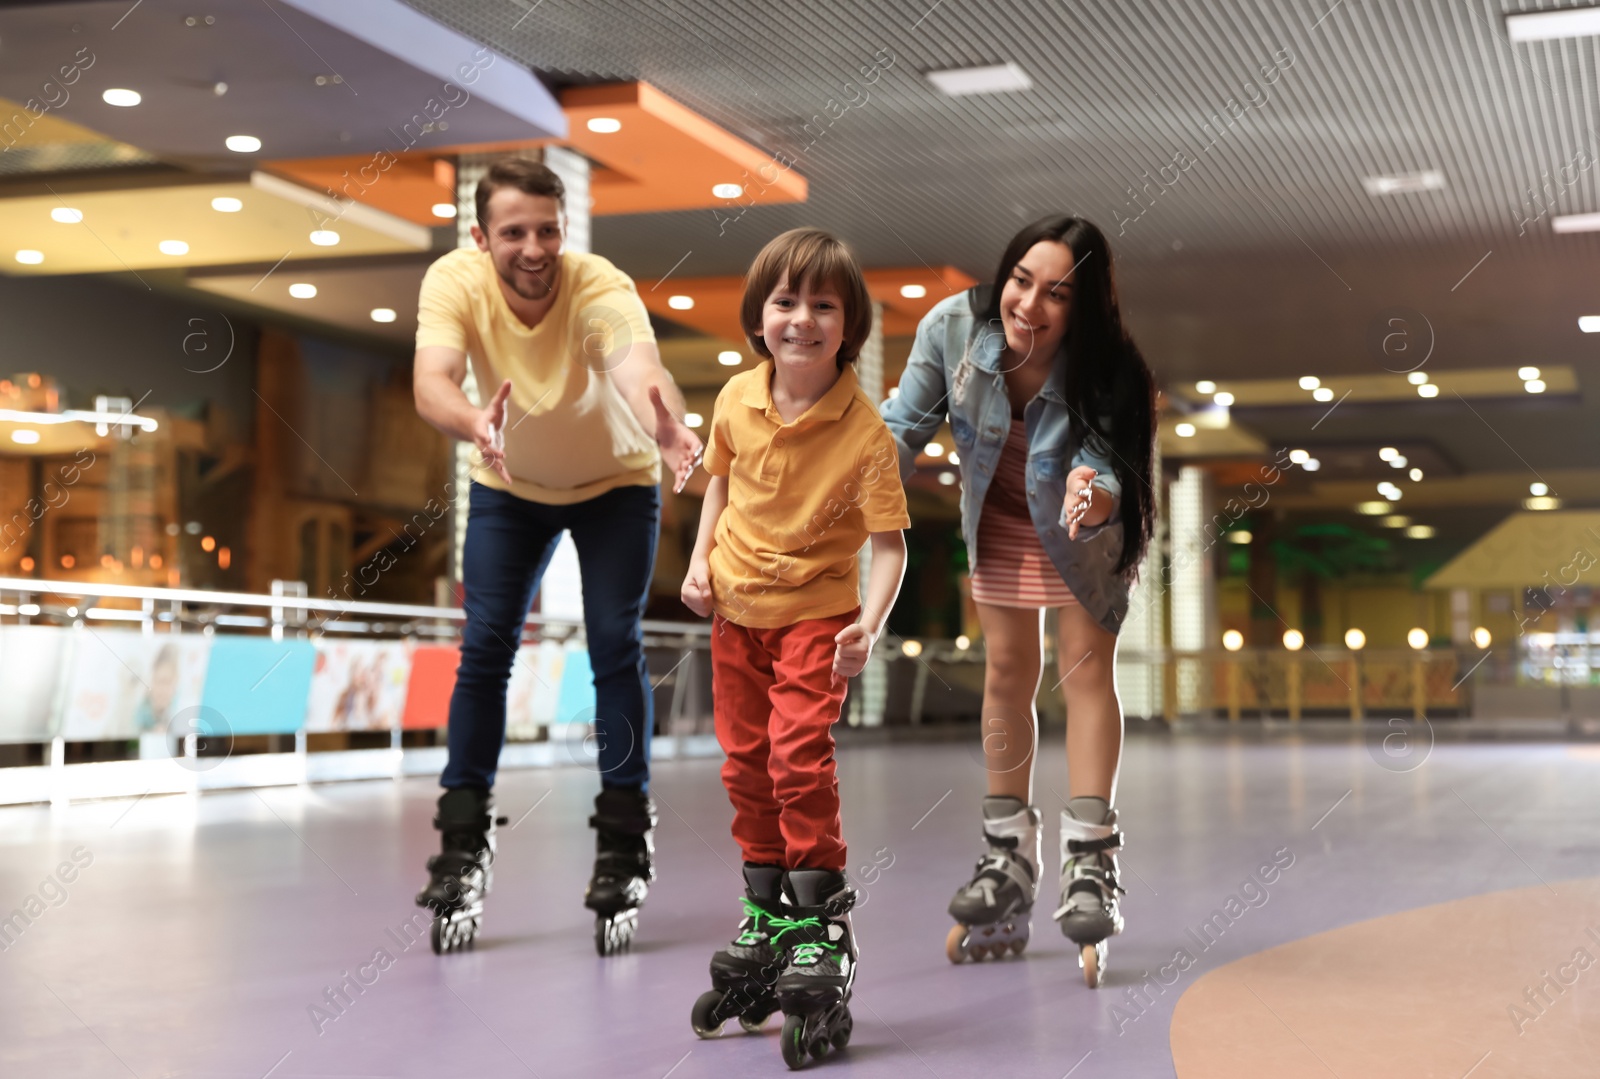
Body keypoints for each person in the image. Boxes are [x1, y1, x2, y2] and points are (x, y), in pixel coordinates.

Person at [410, 156, 703, 955]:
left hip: (615, 481)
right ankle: (462, 839)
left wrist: (668, 424)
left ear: (563, 229)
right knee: (484, 649)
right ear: (481, 237)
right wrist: (473, 420)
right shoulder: (454, 282)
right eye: (513, 232)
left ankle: (622, 835)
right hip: (508, 483)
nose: (534, 248)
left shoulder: (598, 284)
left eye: (547, 229)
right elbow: (431, 379)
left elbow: (635, 365)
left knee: (615, 642)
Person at [879, 216, 1156, 987]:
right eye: (1021, 280)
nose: (1030, 304)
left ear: (1085, 307)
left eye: (1057, 293)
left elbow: (1105, 470)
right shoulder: (951, 328)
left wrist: (1091, 495)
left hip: (1079, 528)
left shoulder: (1110, 371)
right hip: (999, 514)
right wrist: (844, 491)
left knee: (1081, 672)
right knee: (1006, 668)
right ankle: (1006, 854)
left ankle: (1090, 857)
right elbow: (904, 423)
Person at [679, 228, 908, 1066]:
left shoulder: (866, 433)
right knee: (743, 762)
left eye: (822, 305)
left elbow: (890, 545)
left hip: (816, 614)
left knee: (796, 755)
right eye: (784, 301)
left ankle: (819, 924)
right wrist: (699, 561)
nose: (801, 320)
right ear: (758, 315)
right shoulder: (736, 399)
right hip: (736, 612)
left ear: (848, 327)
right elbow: (720, 484)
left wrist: (868, 625)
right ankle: (766, 909)